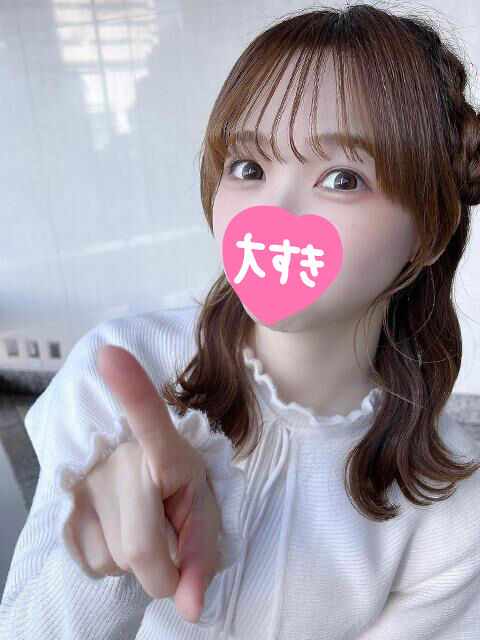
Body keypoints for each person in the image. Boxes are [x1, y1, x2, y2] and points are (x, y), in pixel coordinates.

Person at [2, 4, 480, 639]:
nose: (273, 213)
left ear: (429, 229)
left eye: (342, 178)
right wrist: (104, 563)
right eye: (248, 168)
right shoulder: (120, 369)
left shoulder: (452, 504)